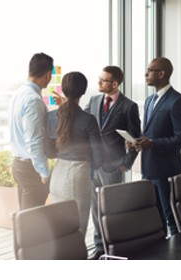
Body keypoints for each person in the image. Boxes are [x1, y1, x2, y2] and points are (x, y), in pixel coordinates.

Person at [45, 71, 114, 256]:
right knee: (78, 230)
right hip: (78, 175)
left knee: (60, 229)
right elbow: (99, 155)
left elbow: (49, 151)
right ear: (82, 91)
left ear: (63, 90)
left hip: (58, 174)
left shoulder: (51, 116)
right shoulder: (88, 119)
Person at [83, 65, 141, 258]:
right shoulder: (93, 100)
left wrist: (126, 163)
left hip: (113, 167)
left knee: (112, 210)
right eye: (99, 78)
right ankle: (99, 248)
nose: (99, 82)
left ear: (115, 84)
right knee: (95, 208)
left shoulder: (129, 106)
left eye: (103, 80)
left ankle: (114, 249)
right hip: (94, 165)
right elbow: (81, 121)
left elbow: (136, 138)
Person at [134, 57, 181, 235]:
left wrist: (152, 143)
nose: (146, 74)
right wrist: (137, 142)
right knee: (154, 222)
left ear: (161, 74)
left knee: (172, 219)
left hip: (167, 171)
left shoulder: (177, 101)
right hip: (148, 170)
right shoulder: (150, 100)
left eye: (150, 70)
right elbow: (150, 133)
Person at [9, 53, 55, 210]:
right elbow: (33, 140)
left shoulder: (17, 94)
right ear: (48, 75)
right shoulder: (33, 100)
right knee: (32, 222)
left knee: (25, 219)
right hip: (31, 168)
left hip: (18, 164)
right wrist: (44, 172)